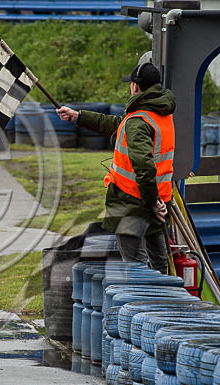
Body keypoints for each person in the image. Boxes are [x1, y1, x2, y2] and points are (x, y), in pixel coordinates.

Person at [57, 62, 175, 273]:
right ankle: (164, 302)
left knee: (135, 267)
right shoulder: (159, 113)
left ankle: (144, 304)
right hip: (158, 199)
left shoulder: (139, 120)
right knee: (159, 264)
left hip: (133, 202)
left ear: (136, 87)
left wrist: (151, 202)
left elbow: (144, 167)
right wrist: (79, 116)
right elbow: (118, 124)